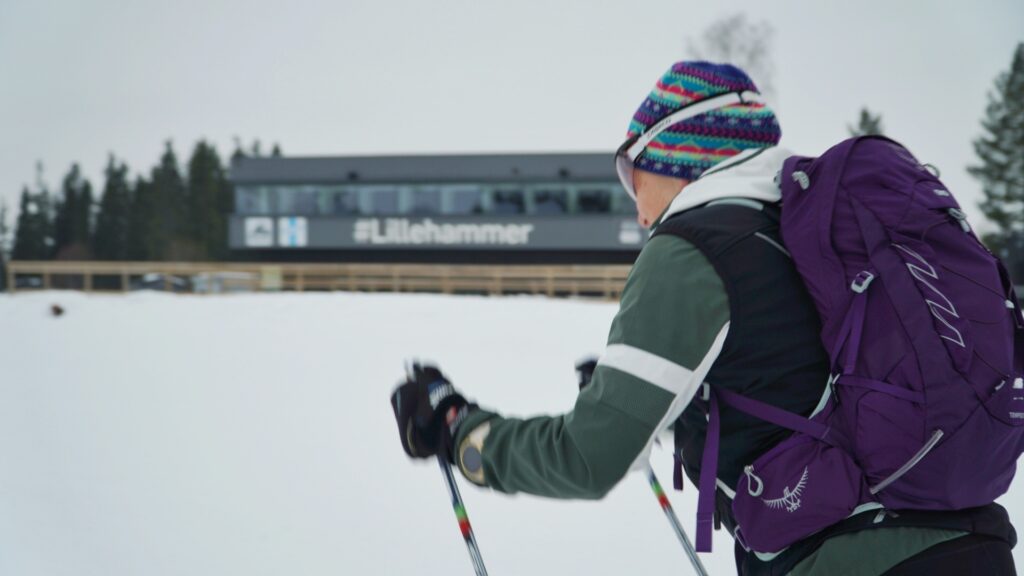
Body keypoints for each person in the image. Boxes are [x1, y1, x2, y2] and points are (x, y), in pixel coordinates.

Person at [390, 61, 1017, 575]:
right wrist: (658, 404)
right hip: (972, 544)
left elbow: (590, 457)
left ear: (677, 153)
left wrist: (461, 432)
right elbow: (802, 385)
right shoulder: (806, 231)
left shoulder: (693, 249)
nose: (635, 206)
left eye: (630, 171)